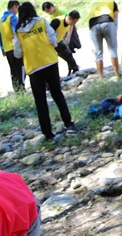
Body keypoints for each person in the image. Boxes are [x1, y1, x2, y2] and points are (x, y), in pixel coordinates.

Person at [12, 2, 75, 139]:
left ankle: (47, 133)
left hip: (33, 68)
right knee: (57, 94)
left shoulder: (18, 30)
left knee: (40, 101)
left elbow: (17, 53)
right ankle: (69, 124)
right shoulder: (41, 22)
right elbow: (53, 40)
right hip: (50, 62)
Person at [42, 4, 80, 77]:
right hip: (49, 43)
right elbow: (48, 33)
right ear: (69, 18)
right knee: (52, 61)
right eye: (74, 22)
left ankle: (75, 70)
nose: (74, 24)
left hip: (59, 41)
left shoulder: (70, 23)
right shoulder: (57, 21)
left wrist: (68, 37)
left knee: (68, 55)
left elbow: (71, 26)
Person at [88, 1, 121, 79]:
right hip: (107, 21)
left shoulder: (94, 3)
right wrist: (115, 28)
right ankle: (117, 75)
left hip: (93, 25)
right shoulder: (112, 2)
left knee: (98, 54)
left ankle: (101, 78)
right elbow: (116, 16)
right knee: (113, 49)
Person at [0, 1, 25, 92]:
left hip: (7, 49)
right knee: (21, 69)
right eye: (18, 8)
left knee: (13, 71)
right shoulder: (12, 18)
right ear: (14, 7)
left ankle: (17, 90)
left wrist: (3, 49)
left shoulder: (2, 20)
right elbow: (16, 31)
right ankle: (22, 89)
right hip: (15, 48)